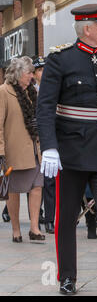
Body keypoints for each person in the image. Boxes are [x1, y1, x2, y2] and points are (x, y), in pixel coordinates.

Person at [36, 3, 97, 296]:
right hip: (70, 151)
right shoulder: (60, 60)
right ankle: (67, 278)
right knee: (66, 218)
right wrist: (50, 148)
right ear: (87, 29)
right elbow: (45, 109)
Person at [0, 56, 45, 243]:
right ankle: (16, 230)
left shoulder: (32, 91)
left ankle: (34, 228)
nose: (32, 76)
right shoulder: (4, 91)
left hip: (35, 149)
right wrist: (1, 152)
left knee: (37, 187)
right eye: (29, 73)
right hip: (14, 151)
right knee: (14, 191)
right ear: (19, 74)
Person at [33, 56, 55, 234]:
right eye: (39, 70)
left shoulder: (55, 88)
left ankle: (49, 219)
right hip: (34, 142)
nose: (43, 72)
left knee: (49, 181)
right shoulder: (29, 92)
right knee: (34, 182)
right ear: (33, 74)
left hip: (51, 140)